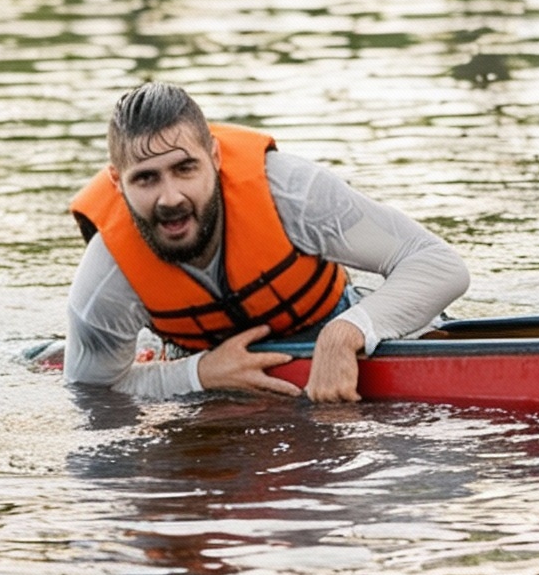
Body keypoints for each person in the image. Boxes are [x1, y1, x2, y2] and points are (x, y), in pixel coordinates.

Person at [64, 83, 470, 401]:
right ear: (118, 182)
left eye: (185, 168)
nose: (171, 198)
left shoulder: (292, 194)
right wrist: (198, 375)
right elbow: (91, 391)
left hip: (331, 327)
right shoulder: (106, 278)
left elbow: (438, 264)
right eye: (147, 178)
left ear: (216, 157)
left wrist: (345, 333)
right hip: (202, 387)